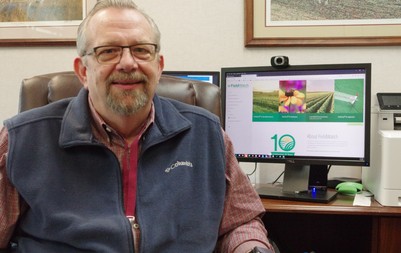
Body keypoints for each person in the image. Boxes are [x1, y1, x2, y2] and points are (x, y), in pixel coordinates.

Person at [0, 0, 276, 252]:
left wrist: (253, 248)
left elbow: (241, 222)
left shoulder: (206, 134)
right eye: (108, 51)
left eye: (141, 50)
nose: (128, 63)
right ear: (83, 71)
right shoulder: (21, 140)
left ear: (159, 65)